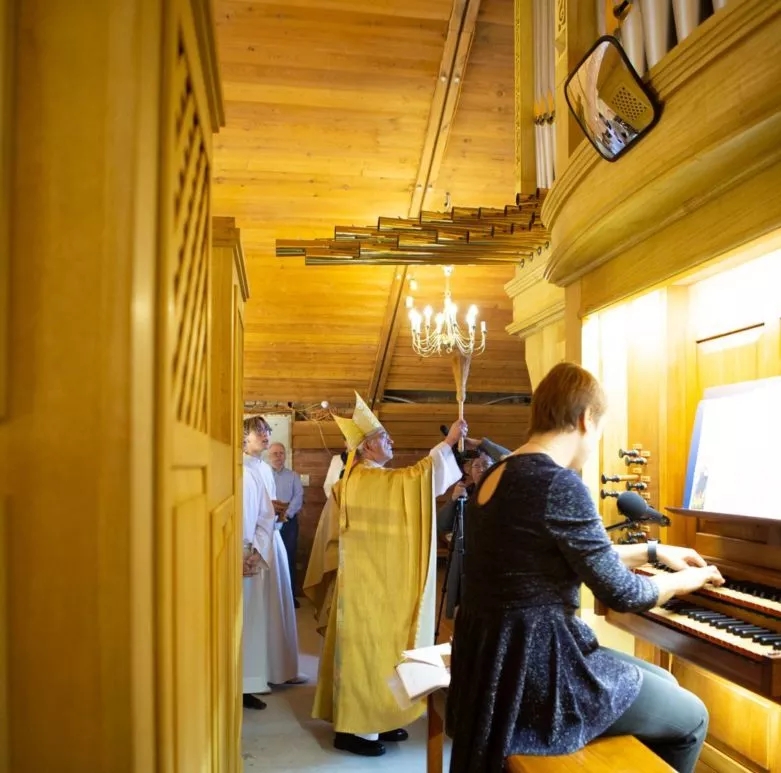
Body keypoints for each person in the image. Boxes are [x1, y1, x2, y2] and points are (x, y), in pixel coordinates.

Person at [446, 362, 724, 773]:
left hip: (498, 664)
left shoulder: (497, 474)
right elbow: (623, 594)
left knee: (666, 683)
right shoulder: (558, 483)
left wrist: (653, 551)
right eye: (599, 431)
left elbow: (557, 556)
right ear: (585, 419)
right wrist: (690, 579)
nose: (595, 444)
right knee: (693, 717)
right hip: (542, 674)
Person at [304, 391, 466, 758]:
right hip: (365, 586)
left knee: (385, 649)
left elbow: (407, 488)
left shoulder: (370, 476)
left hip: (379, 580)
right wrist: (447, 444)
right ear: (364, 447)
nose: (390, 440)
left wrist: (448, 448)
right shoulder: (363, 478)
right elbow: (413, 482)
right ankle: (355, 729)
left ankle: (381, 714)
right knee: (368, 652)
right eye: (382, 437)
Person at [243, 415, 304, 701]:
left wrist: (276, 515)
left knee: (278, 606)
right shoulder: (240, 469)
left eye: (267, 430)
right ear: (244, 437)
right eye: (258, 431)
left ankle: (281, 668)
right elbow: (246, 514)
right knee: (257, 612)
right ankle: (255, 676)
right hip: (255, 547)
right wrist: (250, 550)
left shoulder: (264, 468)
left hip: (271, 540)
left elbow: (266, 508)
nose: (265, 434)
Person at [267, 441, 304, 608]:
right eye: (275, 453)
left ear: (285, 456)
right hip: (267, 522)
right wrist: (270, 515)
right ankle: (271, 598)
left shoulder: (293, 476)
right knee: (268, 557)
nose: (278, 457)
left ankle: (290, 597)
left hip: (288, 522)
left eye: (281, 453)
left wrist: (285, 515)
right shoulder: (263, 475)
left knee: (289, 557)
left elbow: (298, 497)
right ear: (269, 456)